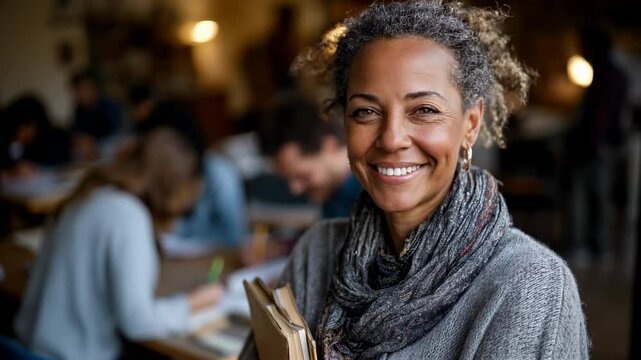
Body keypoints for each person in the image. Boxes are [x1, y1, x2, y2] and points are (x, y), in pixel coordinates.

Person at [241, 1, 589, 359]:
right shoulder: (317, 253)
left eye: (424, 110)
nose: (391, 139)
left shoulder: (529, 284)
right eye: (365, 112)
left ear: (470, 124)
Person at [14, 127, 223, 360]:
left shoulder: (93, 193)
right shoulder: (128, 214)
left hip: (28, 347)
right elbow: (137, 321)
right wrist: (192, 303)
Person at [258, 93, 362, 218]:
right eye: (287, 179)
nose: (294, 190)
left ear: (330, 145)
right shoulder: (332, 198)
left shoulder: (374, 194)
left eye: (303, 175)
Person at [0, 95, 72, 176]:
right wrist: (12, 170)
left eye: (33, 127)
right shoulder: (4, 140)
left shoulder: (37, 140)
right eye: (26, 126)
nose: (29, 132)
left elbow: (57, 155)